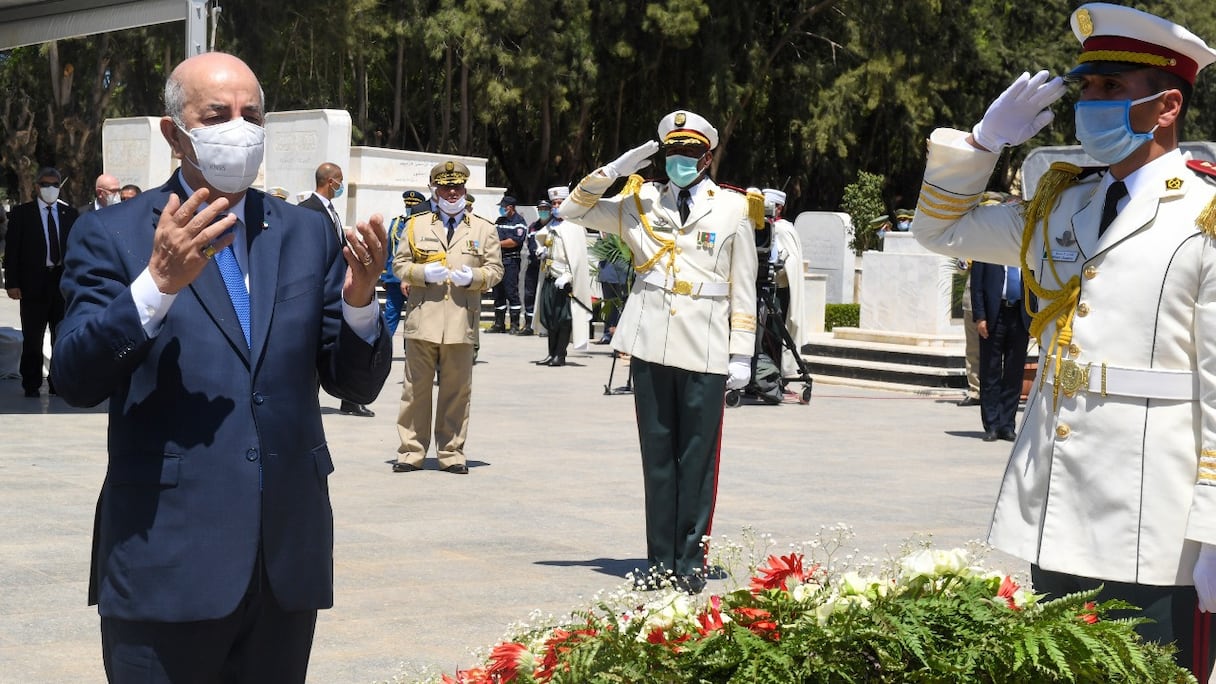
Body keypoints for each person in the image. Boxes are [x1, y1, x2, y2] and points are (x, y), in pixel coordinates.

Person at [50, 51, 392, 683]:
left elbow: (353, 381)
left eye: (251, 114)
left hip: (284, 563)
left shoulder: (303, 233)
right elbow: (72, 376)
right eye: (218, 114)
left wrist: (361, 302)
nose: (240, 126)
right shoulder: (114, 234)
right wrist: (155, 285)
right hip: (165, 560)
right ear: (175, 132)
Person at [911, 3, 1216, 674]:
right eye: (1087, 89)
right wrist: (983, 145)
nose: (1090, 104)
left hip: (1155, 516)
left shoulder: (1205, 215)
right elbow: (938, 232)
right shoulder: (1060, 204)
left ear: (1166, 107)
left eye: (1110, 89)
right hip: (1055, 499)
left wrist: (1215, 534)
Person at [557, 110, 758, 593]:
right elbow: (571, 211)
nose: (680, 162)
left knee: (696, 458)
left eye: (690, 154)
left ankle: (690, 560)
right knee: (658, 458)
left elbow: (743, 285)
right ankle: (660, 559)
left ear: (707, 157)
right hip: (649, 343)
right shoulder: (637, 200)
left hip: (708, 348)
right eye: (672, 154)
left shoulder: (732, 208)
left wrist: (742, 352)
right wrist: (614, 170)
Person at [391, 160, 503, 475]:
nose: (451, 192)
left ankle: (452, 452)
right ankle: (411, 451)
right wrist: (421, 272)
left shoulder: (483, 227)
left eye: (457, 187)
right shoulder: (416, 225)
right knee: (415, 390)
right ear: (435, 190)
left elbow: (496, 270)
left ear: (465, 190)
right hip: (422, 318)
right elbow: (399, 264)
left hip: (460, 321)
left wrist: (477, 278)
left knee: (457, 390)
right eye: (445, 187)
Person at [300, 162, 376, 418]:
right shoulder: (306, 210)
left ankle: (349, 400)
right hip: (316, 292)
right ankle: (307, 400)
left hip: (336, 291)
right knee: (312, 353)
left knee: (341, 346)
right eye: (340, 180)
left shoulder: (331, 211)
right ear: (330, 181)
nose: (342, 185)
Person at [3, 166, 77, 397]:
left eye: (55, 184)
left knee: (61, 335)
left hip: (62, 284)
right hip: (33, 283)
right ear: (36, 186)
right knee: (33, 337)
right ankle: (31, 383)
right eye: (45, 184)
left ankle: (58, 382)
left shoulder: (69, 214)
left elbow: (76, 250)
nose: (50, 189)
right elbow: (12, 251)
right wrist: (12, 283)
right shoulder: (22, 213)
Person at [969, 263, 1030, 442]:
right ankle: (992, 425)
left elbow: (1034, 287)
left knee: (1014, 372)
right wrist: (980, 316)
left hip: (1020, 316)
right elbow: (977, 285)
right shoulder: (989, 248)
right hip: (994, 315)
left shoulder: (1026, 252)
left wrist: (1034, 318)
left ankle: (1007, 425)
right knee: (990, 371)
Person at [533, 188, 591, 366]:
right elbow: (545, 244)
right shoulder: (550, 226)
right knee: (550, 317)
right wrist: (540, 251)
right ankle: (551, 353)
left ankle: (560, 354)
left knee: (563, 318)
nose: (556, 206)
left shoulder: (574, 226)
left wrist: (568, 276)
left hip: (565, 281)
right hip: (550, 278)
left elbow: (577, 259)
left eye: (560, 203)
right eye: (555, 204)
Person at [762, 188, 808, 380]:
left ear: (779, 207)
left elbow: (788, 263)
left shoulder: (782, 229)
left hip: (778, 292)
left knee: (774, 336)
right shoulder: (766, 226)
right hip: (767, 290)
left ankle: (774, 378)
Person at [382, 189, 428, 342]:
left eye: (413, 206)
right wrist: (384, 274)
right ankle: (383, 349)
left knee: (415, 317)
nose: (409, 208)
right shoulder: (396, 223)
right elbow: (388, 249)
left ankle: (411, 351)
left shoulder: (425, 225)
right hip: (394, 277)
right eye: (408, 205)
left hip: (415, 278)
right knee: (390, 315)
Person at [488, 195, 527, 333]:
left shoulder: (519, 222)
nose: (501, 209)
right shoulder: (500, 220)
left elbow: (515, 241)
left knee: (511, 292)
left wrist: (497, 244)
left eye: (503, 207)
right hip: (498, 260)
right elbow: (492, 236)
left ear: (510, 208)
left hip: (511, 261)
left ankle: (515, 324)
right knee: (498, 293)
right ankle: (499, 324)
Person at [517, 198, 553, 336]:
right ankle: (529, 325)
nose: (543, 212)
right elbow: (528, 242)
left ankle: (545, 326)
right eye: (541, 209)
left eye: (545, 209)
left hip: (548, 265)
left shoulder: (554, 225)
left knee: (545, 296)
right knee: (529, 294)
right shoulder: (532, 226)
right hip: (533, 264)